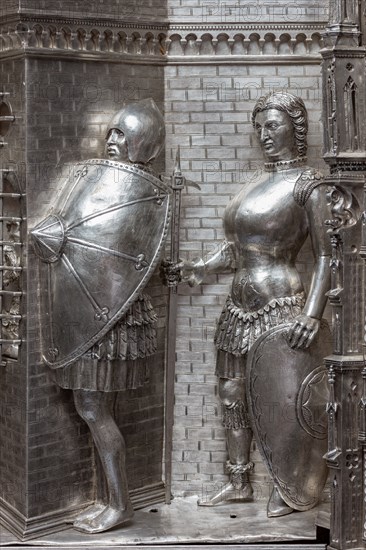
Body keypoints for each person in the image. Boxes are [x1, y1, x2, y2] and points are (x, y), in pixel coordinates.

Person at [166, 91, 332, 517]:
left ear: (295, 130)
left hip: (281, 306)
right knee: (232, 393)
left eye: (272, 125)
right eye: (259, 127)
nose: (264, 135)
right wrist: (195, 268)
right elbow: (236, 250)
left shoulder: (308, 185)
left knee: (280, 396)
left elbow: (329, 255)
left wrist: (312, 314)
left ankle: (286, 482)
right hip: (239, 303)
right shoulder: (254, 183)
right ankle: (239, 481)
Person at [47, 99, 165, 534]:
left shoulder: (142, 191)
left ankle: (120, 504)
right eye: (111, 133)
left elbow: (130, 262)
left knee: (94, 409)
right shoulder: (112, 182)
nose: (112, 140)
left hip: (114, 319)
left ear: (143, 143)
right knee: (95, 409)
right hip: (98, 313)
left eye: (123, 135)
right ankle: (116, 500)